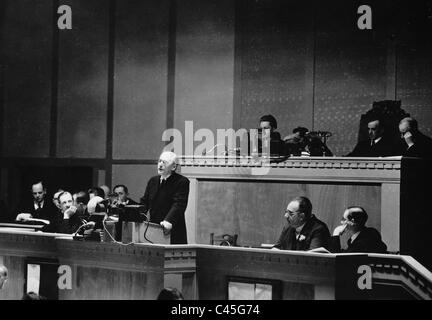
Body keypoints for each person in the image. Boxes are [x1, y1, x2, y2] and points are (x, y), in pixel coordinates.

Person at [139, 151, 190, 244]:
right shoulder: (153, 181)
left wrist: (168, 221)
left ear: (174, 167)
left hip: (173, 229)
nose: (160, 165)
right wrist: (134, 213)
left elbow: (179, 204)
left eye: (164, 162)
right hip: (153, 229)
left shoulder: (182, 181)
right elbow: (144, 202)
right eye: (159, 161)